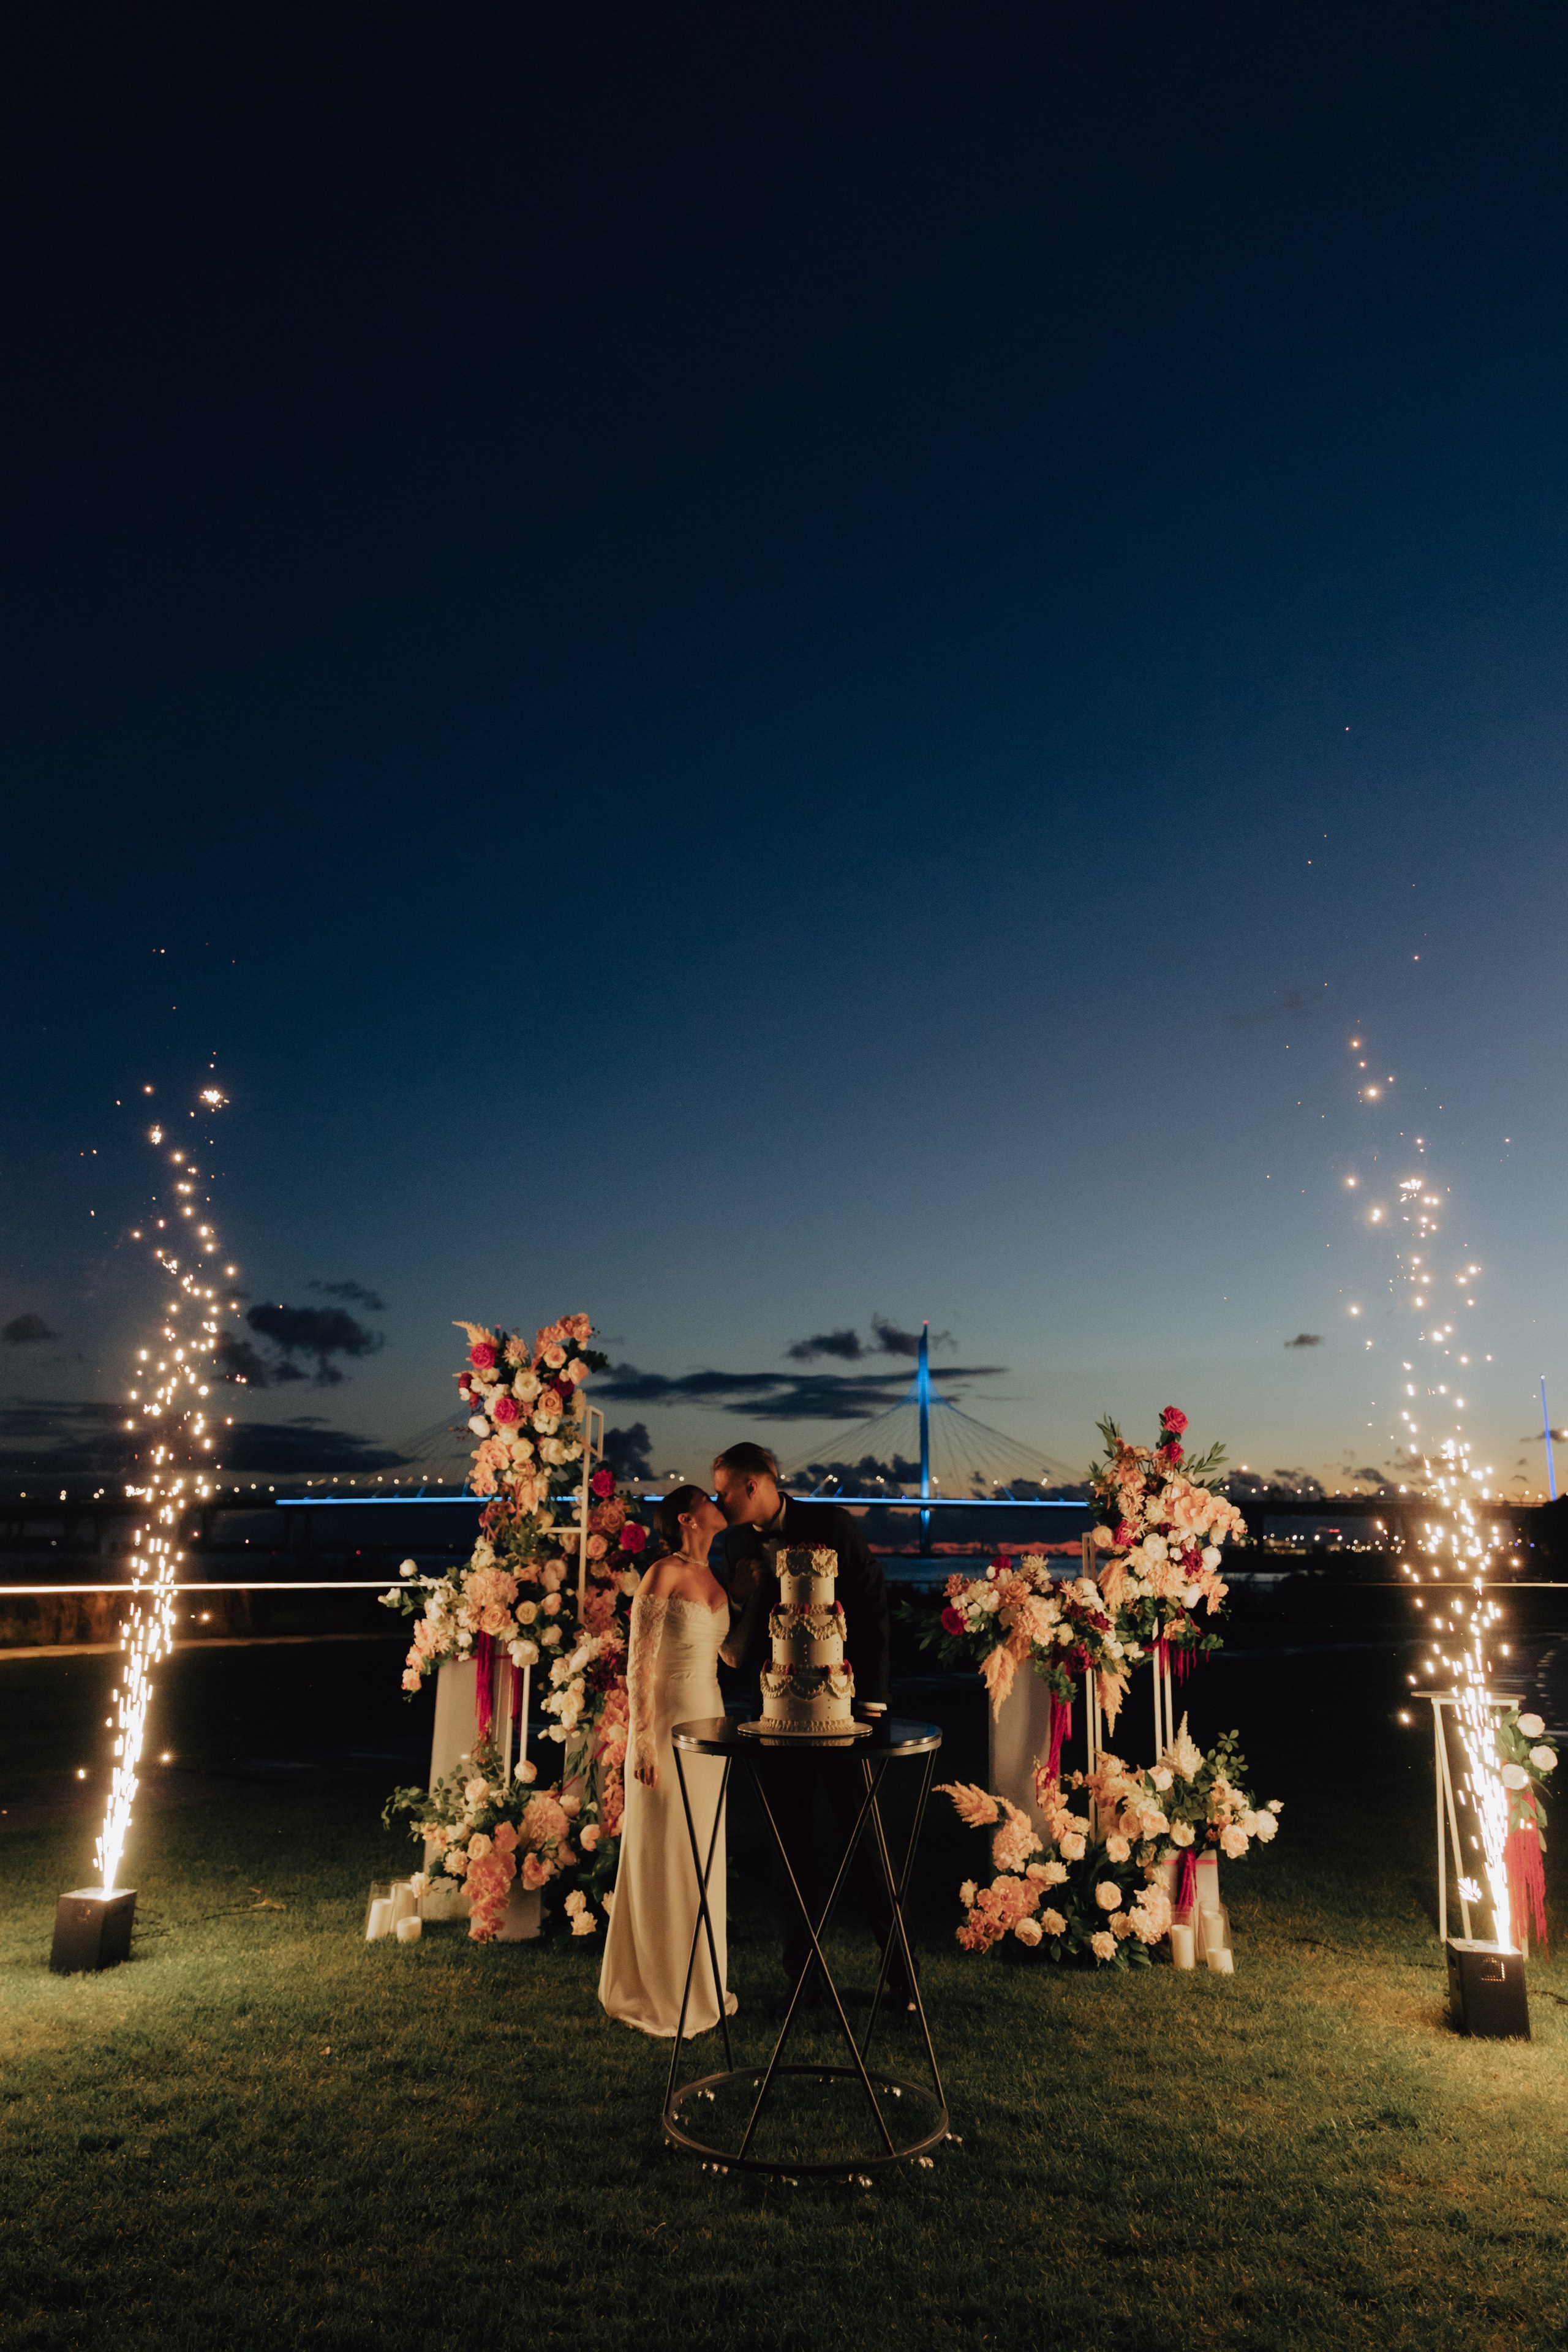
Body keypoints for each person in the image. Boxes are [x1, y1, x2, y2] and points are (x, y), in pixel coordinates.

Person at [713, 1441, 914, 2011]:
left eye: (724, 1490)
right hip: (775, 1715)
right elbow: (735, 1633)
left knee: (867, 1841)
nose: (718, 1501)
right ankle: (802, 1976)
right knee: (789, 1847)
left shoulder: (830, 1523)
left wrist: (871, 1705)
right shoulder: (732, 1546)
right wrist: (742, 1595)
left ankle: (902, 1975)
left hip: (843, 1715)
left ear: (754, 1485)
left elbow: (872, 1607)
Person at [598, 1484, 742, 2038]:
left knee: (702, 1852)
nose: (718, 1505)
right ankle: (658, 1987)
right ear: (688, 1517)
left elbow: (727, 1654)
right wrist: (642, 1742)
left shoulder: (717, 1577)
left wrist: (749, 1600)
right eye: (709, 1500)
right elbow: (639, 1665)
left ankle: (701, 1981)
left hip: (711, 1716)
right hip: (666, 1723)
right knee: (666, 1851)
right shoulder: (662, 1573)